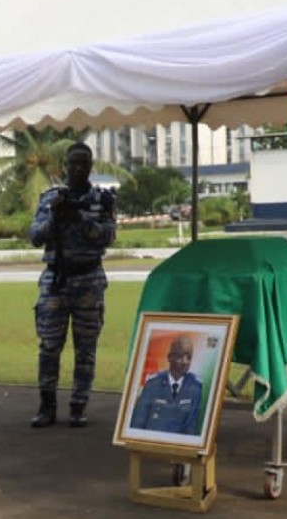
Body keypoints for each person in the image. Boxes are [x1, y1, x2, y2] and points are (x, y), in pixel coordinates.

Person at [28, 142, 116, 429]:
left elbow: (107, 237)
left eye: (84, 163)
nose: (78, 168)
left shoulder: (101, 200)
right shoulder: (50, 198)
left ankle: (79, 405)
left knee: (86, 347)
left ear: (91, 166)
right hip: (57, 280)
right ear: (65, 166)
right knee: (50, 345)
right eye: (73, 163)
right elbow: (35, 237)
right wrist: (55, 216)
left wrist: (79, 219)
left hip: (88, 280)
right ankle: (47, 405)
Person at [129, 336, 204, 435]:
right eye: (180, 356)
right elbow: (138, 421)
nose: (184, 362)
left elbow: (191, 426)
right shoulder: (153, 385)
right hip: (150, 441)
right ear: (169, 357)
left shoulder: (194, 388)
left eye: (188, 357)